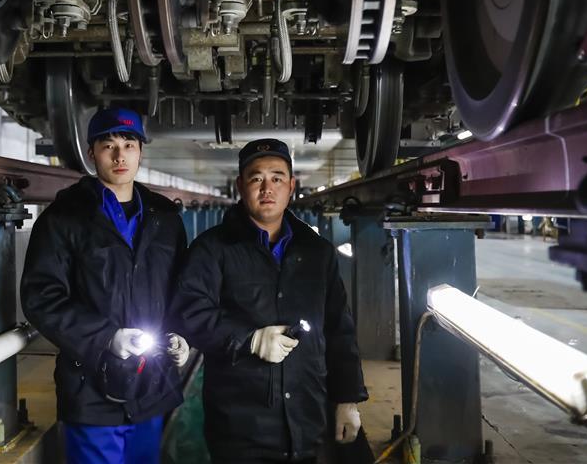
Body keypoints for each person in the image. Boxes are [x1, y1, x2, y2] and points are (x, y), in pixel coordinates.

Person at [172, 138, 370, 464]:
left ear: (291, 185)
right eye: (256, 178)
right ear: (240, 185)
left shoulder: (316, 251)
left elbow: (339, 329)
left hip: (308, 417)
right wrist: (248, 339)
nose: (267, 188)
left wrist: (347, 399)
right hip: (240, 427)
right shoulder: (212, 249)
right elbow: (187, 312)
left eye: (277, 178)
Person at [21, 107, 191, 464]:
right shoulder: (63, 219)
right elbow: (41, 297)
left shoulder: (165, 219)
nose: (119, 155)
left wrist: (181, 334)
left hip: (152, 384)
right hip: (91, 390)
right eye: (108, 145)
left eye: (129, 144)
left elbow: (181, 289)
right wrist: (105, 337)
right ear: (91, 153)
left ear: (141, 151)